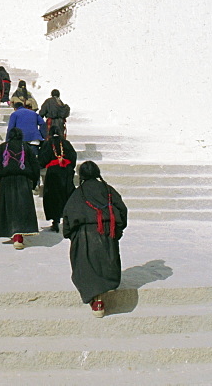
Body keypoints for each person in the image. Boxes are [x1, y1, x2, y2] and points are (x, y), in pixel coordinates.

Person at [62, 161, 128, 318]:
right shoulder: (108, 190)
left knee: (86, 268)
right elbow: (122, 210)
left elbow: (68, 215)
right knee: (105, 263)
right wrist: (117, 230)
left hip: (85, 235)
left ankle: (97, 301)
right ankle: (100, 297)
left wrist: (70, 234)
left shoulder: (78, 193)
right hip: (107, 232)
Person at [0, 128, 40, 249]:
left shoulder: (2, 147)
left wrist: (0, 176)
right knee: (21, 208)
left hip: (7, 181)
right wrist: (33, 183)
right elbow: (35, 166)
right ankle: (19, 237)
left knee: (9, 207)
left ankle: (13, 233)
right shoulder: (26, 147)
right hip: (23, 181)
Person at [39, 131, 78, 232]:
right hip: (67, 172)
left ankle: (55, 221)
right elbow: (73, 156)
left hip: (53, 173)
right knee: (67, 195)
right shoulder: (66, 143)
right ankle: (68, 220)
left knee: (53, 197)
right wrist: (70, 166)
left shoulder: (48, 144)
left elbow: (43, 159)